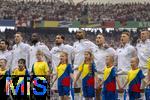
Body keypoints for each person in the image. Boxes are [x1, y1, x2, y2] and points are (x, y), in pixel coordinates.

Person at [94, 34, 116, 100]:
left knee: (106, 93)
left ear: (104, 40)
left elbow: (116, 58)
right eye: (97, 38)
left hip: (106, 74)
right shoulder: (94, 49)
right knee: (97, 93)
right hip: (96, 74)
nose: (98, 39)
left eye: (100, 38)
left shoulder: (110, 50)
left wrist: (111, 68)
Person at [116, 32, 136, 99]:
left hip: (128, 74)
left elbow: (136, 60)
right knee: (119, 93)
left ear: (128, 38)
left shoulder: (132, 48)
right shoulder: (118, 49)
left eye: (124, 36)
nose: (122, 37)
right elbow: (115, 62)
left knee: (128, 94)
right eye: (121, 36)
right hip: (119, 74)